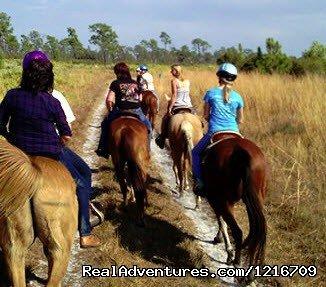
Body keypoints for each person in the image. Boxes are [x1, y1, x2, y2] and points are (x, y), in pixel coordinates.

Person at [0, 50, 101, 248]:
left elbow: (0, 123)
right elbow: (66, 133)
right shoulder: (53, 101)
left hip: (17, 152)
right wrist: (58, 142)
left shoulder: (12, 96)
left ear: (24, 72)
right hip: (49, 152)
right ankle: (85, 232)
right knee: (83, 176)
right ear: (48, 75)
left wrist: (11, 139)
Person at [191, 63, 244, 195]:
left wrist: (212, 120)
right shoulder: (238, 96)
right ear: (233, 79)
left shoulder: (210, 93)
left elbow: (206, 116)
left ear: (219, 76)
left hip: (215, 132)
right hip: (234, 132)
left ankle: (200, 182)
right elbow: (241, 120)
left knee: (195, 153)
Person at [96, 62, 152, 158]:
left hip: (120, 109)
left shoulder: (115, 83)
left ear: (117, 73)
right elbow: (141, 99)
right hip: (136, 110)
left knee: (105, 124)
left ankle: (103, 148)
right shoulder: (135, 83)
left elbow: (109, 100)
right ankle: (147, 149)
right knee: (148, 127)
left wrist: (110, 110)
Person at [155, 64, 193, 149]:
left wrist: (169, 108)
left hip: (178, 105)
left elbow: (174, 95)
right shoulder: (187, 81)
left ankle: (162, 138)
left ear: (176, 71)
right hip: (188, 106)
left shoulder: (174, 81)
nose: (171, 72)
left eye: (172, 70)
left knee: (165, 119)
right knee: (197, 119)